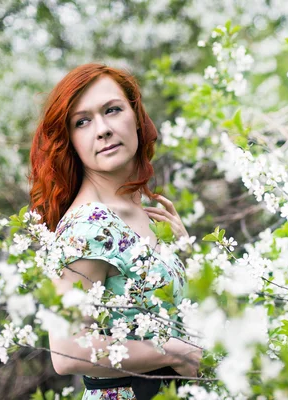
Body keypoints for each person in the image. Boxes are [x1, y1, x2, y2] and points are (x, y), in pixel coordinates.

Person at [29, 63, 201, 400]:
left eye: (112, 110)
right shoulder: (88, 226)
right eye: (83, 121)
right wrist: (174, 352)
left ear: (136, 118)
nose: (103, 129)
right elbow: (67, 349)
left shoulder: (142, 212)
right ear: (70, 141)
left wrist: (185, 253)